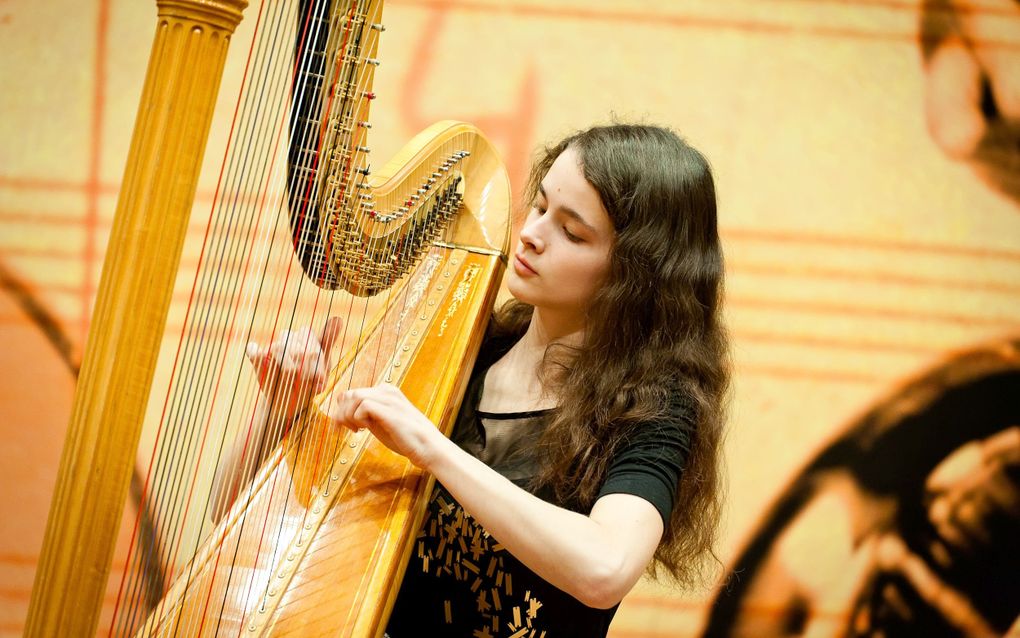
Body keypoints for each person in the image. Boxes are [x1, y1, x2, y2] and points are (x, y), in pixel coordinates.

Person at [223, 123, 729, 637]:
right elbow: (238, 520)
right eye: (539, 206)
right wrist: (281, 411)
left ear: (635, 274)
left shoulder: (654, 411)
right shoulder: (462, 349)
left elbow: (605, 570)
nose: (531, 235)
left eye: (572, 232)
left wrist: (434, 450)